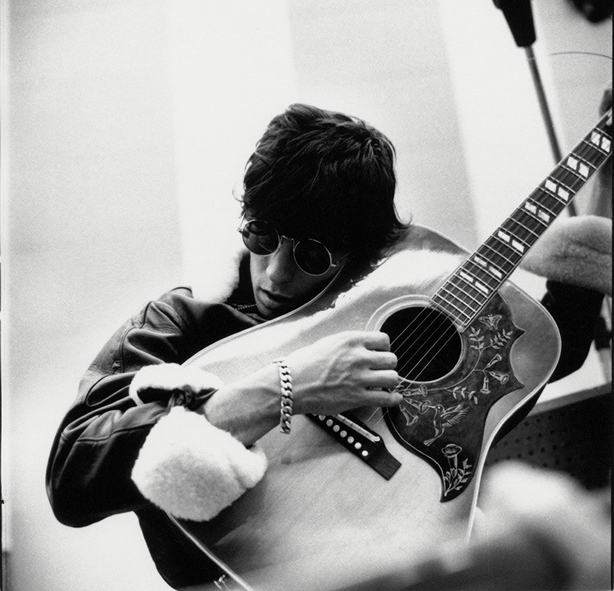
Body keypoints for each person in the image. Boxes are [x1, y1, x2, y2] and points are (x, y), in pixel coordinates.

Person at [46, 102, 607, 589]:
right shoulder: (184, 323)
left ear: (361, 256)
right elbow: (73, 474)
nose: (275, 274)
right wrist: (284, 385)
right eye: (262, 235)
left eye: (313, 256)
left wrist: (579, 265)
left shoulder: (396, 315)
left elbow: (533, 365)